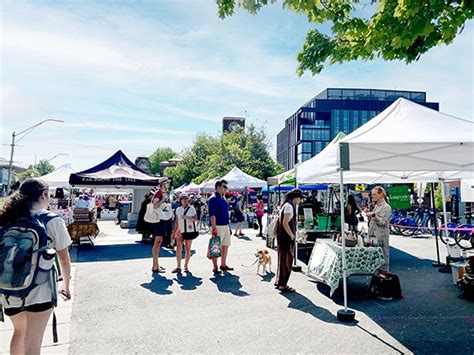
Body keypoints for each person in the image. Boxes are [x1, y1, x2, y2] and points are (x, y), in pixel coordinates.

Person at [0, 178, 72, 354]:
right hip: (41, 289)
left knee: (18, 333)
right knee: (34, 341)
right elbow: (63, 257)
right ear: (44, 195)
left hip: (10, 288)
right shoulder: (52, 220)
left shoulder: (8, 218)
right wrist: (66, 284)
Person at [275, 188, 303, 293]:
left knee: (283, 260)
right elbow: (285, 223)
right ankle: (283, 284)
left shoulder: (286, 205)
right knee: (286, 261)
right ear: (296, 197)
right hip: (286, 237)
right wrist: (291, 235)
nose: (300, 200)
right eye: (300, 198)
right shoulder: (289, 207)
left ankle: (280, 282)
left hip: (282, 237)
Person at [208, 179, 233, 273]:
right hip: (217, 225)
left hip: (224, 224)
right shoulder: (213, 198)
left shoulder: (223, 198)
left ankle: (223, 264)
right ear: (218, 187)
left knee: (225, 245)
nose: (226, 189)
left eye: (226, 187)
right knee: (216, 246)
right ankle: (215, 266)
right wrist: (214, 227)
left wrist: (228, 226)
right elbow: (212, 214)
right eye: (224, 187)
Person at [365, 186, 392, 272]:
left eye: (374, 194)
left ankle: (383, 278)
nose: (372, 196)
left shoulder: (386, 207)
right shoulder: (376, 205)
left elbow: (382, 222)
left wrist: (373, 215)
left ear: (381, 194)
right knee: (375, 259)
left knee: (383, 258)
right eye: (372, 194)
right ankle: (376, 279)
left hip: (381, 238)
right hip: (374, 237)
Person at [171, 193, 199, 273]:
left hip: (189, 230)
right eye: (183, 199)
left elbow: (196, 219)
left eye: (186, 199)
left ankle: (186, 266)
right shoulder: (178, 209)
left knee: (187, 249)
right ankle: (178, 266)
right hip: (180, 230)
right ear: (180, 200)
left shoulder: (192, 208)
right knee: (178, 249)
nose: (185, 200)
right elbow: (177, 221)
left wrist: (187, 218)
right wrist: (174, 232)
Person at [151, 178, 172, 273]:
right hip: (159, 221)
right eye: (167, 183)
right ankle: (155, 265)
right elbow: (155, 206)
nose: (169, 184)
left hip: (162, 220)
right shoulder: (158, 193)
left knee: (159, 242)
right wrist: (163, 199)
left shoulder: (162, 193)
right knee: (158, 242)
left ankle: (156, 264)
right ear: (163, 184)